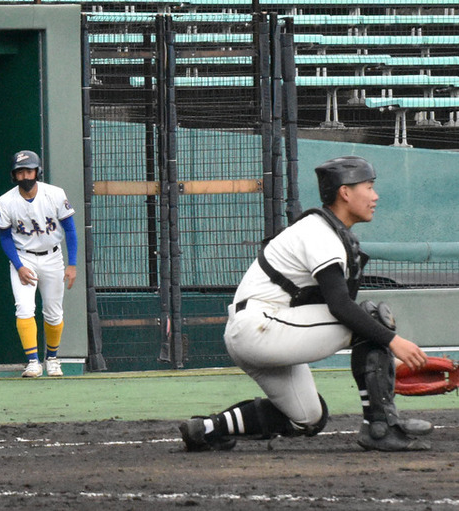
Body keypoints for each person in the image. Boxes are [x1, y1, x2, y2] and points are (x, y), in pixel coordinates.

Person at [179, 156, 433, 453]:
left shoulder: (327, 231)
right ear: (345, 192)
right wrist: (393, 342)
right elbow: (340, 307)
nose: (375, 196)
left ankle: (208, 429)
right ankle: (381, 426)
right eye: (369, 187)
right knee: (372, 318)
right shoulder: (319, 233)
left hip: (259, 330)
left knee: (308, 418)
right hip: (262, 327)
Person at [0, 150, 78, 378]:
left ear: (37, 171)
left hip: (52, 256)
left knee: (53, 313)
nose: (25, 176)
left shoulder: (55, 194)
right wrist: (18, 265)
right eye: (20, 172)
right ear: (14, 175)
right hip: (24, 257)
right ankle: (32, 361)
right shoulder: (6, 200)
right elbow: (4, 236)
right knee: (24, 308)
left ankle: (52, 358)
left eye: (29, 171)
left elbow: (70, 229)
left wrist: (73, 264)